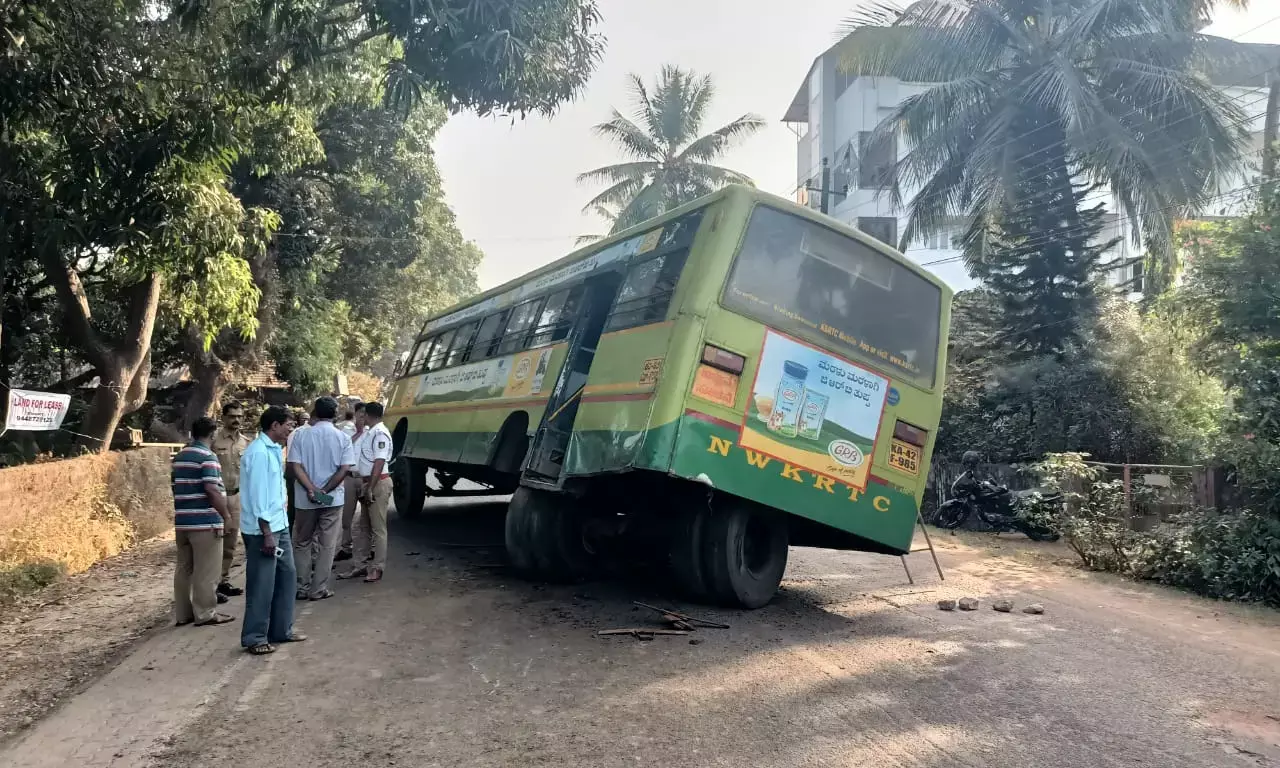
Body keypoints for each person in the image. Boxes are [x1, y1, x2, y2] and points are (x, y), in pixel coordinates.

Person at [239, 406, 306, 655]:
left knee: (287, 577)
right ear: (274, 426)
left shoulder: (274, 450)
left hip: (280, 526)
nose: (291, 429)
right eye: (288, 425)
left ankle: (281, 630)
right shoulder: (258, 453)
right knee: (262, 584)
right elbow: (258, 497)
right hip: (263, 530)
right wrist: (267, 533)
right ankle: (255, 637)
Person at [288, 396, 354, 601]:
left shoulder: (300, 436)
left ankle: (301, 586)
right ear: (335, 414)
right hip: (331, 499)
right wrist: (323, 491)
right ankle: (318, 589)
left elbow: (294, 466)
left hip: (305, 499)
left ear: (315, 412)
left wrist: (311, 489)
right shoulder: (342, 438)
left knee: (302, 542)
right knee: (327, 544)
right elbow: (344, 469)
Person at [172, 417, 234, 627]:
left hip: (183, 521)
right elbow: (211, 489)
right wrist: (225, 516)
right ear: (213, 433)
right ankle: (205, 612)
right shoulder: (208, 456)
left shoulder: (181, 456)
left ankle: (183, 613)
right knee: (207, 570)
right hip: (205, 521)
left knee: (184, 568)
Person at [344, 401, 392, 583]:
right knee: (363, 526)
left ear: (367, 415)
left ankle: (377, 567)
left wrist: (370, 488)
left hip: (377, 483)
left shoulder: (379, 433)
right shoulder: (370, 433)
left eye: (363, 414)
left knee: (378, 528)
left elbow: (379, 462)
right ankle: (360, 564)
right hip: (368, 482)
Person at [211, 402, 252, 600]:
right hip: (216, 496)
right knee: (213, 542)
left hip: (236, 496)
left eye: (239, 416)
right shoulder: (213, 440)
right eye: (232, 416)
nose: (236, 420)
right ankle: (211, 584)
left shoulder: (246, 442)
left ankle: (223, 581)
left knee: (230, 542)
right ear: (223, 417)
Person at [336, 402, 368, 563]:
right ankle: (345, 547)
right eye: (360, 413)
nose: (362, 417)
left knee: (367, 516)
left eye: (365, 414)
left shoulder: (372, 432)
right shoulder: (346, 431)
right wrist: (358, 432)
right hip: (349, 477)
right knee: (346, 516)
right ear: (355, 414)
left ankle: (369, 548)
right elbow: (343, 448)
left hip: (364, 478)